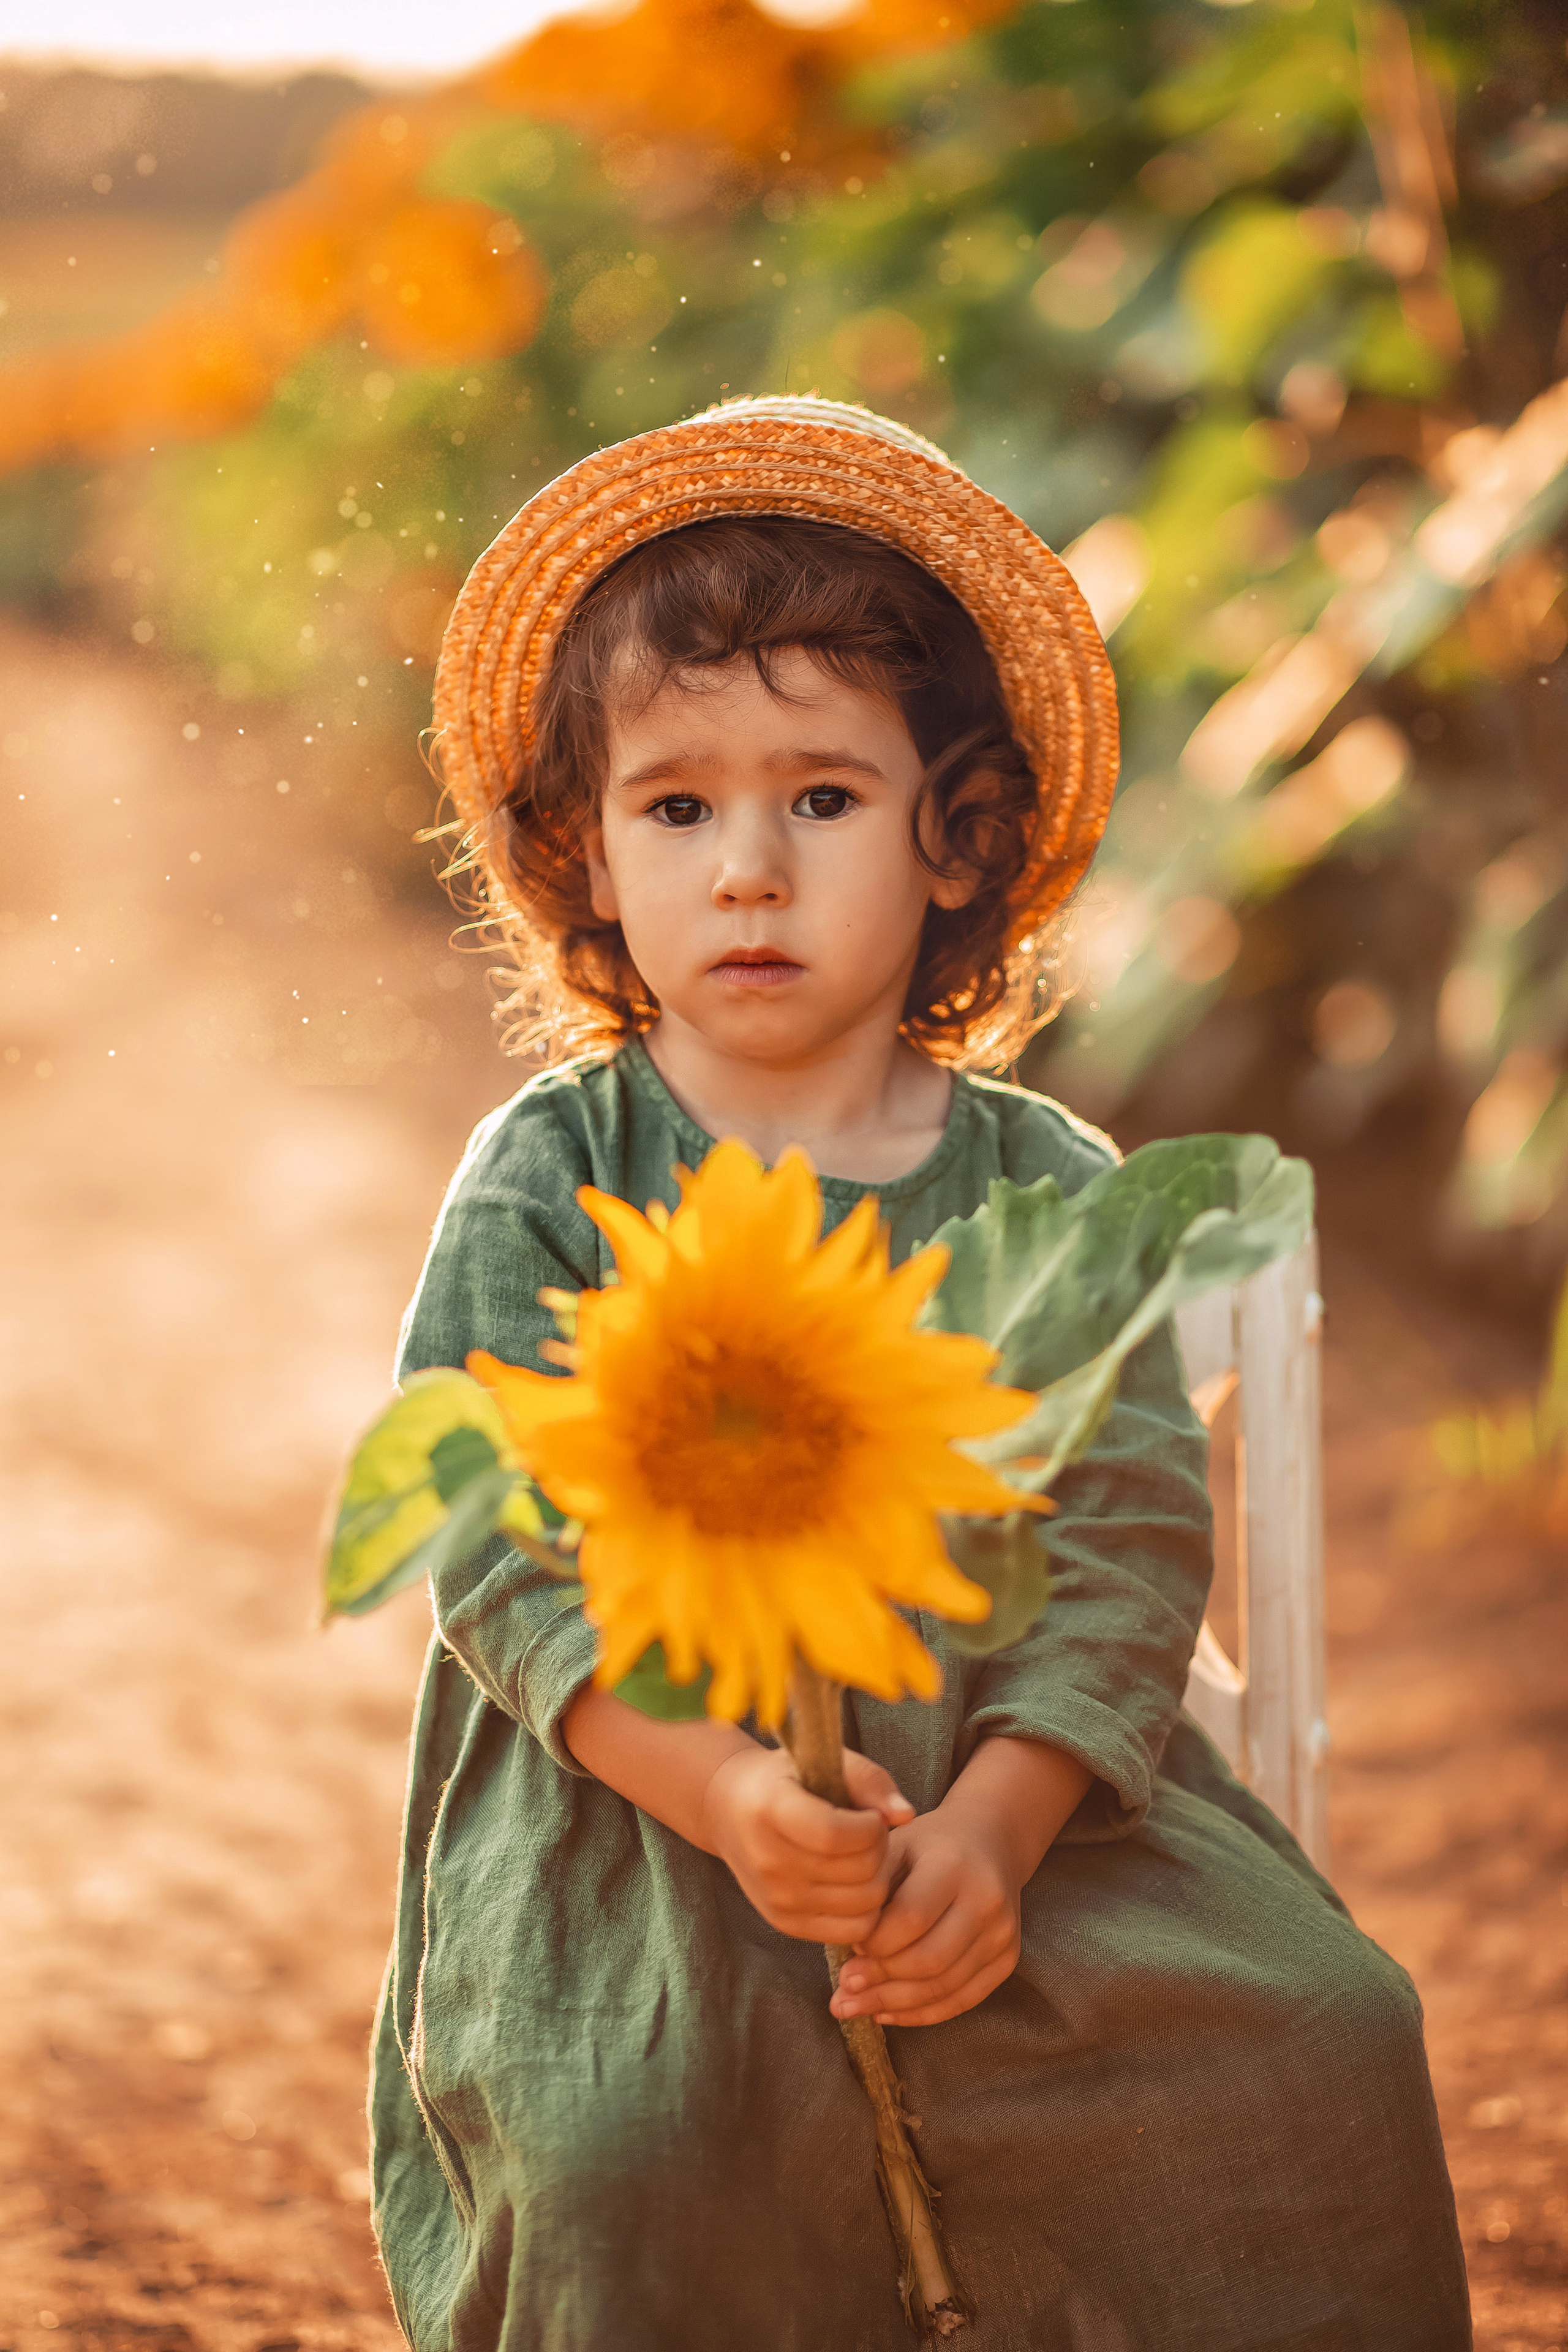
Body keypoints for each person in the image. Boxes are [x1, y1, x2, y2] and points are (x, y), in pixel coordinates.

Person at [371, 397, 1469, 2351]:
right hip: (646, 1833)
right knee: (633, 2146)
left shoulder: (1048, 1189)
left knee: (1324, 2038)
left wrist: (995, 1834)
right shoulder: (555, 1171)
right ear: (585, 853)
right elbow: (492, 1537)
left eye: (824, 798)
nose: (749, 872)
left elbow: (1123, 1537)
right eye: (676, 809)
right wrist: (729, 1790)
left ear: (958, 837)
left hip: (1015, 1815)